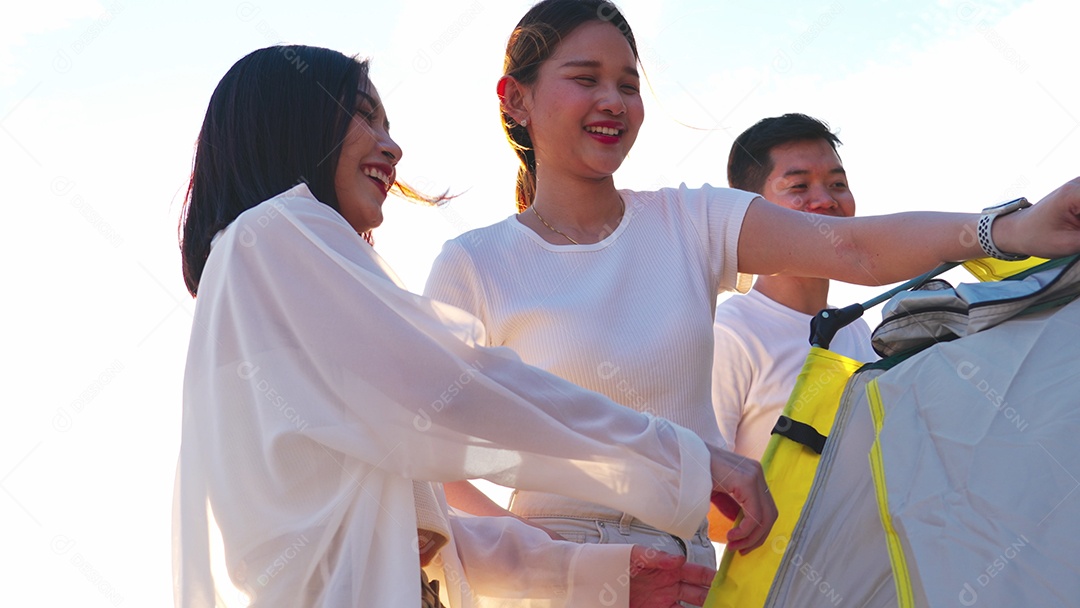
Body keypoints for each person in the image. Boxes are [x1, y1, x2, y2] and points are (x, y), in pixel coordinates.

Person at [423, 0, 1080, 571]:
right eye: (585, 79)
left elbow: (854, 245)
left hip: (688, 567)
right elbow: (424, 444)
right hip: (558, 566)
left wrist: (1014, 229)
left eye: (628, 84)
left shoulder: (690, 219)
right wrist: (538, 552)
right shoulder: (473, 262)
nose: (614, 102)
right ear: (516, 97)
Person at [173, 44, 777, 608]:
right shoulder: (272, 237)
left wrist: (601, 577)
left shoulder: (254, 276)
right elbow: (459, 386)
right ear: (288, 124)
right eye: (363, 116)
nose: (392, 147)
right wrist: (686, 457)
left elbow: (415, 531)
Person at [712, 113, 878, 463]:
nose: (825, 201)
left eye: (837, 185)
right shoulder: (728, 334)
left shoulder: (860, 332)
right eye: (799, 187)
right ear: (746, 208)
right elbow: (703, 488)